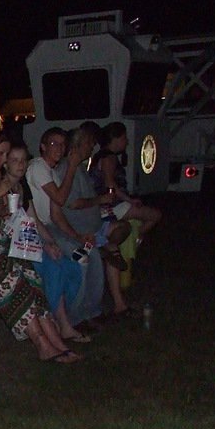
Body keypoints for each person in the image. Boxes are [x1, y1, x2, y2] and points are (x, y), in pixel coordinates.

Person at [0, 129, 80, 362]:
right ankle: (42, 343)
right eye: (0, 154)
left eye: (6, 155)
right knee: (11, 279)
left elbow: (11, 214)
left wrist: (10, 197)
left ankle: (55, 338)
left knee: (32, 276)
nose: (3, 160)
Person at [5, 141, 89, 344]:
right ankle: (61, 325)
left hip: (31, 238)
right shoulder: (2, 187)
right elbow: (12, 227)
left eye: (23, 160)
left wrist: (50, 242)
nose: (20, 164)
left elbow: (33, 218)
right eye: (14, 160)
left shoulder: (22, 184)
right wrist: (43, 246)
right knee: (52, 268)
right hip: (16, 244)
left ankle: (62, 318)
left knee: (70, 265)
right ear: (5, 163)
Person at [27, 127, 105, 331]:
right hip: (36, 228)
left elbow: (57, 214)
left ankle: (90, 310)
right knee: (81, 258)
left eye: (62, 144)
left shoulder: (52, 171)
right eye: (54, 143)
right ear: (43, 146)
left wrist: (78, 236)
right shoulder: (38, 167)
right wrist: (71, 166)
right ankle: (72, 316)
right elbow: (61, 199)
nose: (59, 148)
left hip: (51, 226)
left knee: (91, 251)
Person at [66, 125, 133, 321]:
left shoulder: (81, 169)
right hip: (82, 228)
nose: (92, 148)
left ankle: (119, 304)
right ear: (78, 146)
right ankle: (93, 310)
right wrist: (99, 201)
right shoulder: (69, 171)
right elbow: (72, 204)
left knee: (122, 229)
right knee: (99, 252)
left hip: (96, 221)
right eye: (89, 144)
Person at [90, 122, 163, 245]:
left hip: (109, 203)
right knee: (155, 215)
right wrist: (129, 200)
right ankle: (134, 239)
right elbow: (110, 184)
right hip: (113, 205)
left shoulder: (100, 156)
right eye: (124, 138)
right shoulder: (109, 158)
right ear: (115, 139)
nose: (127, 141)